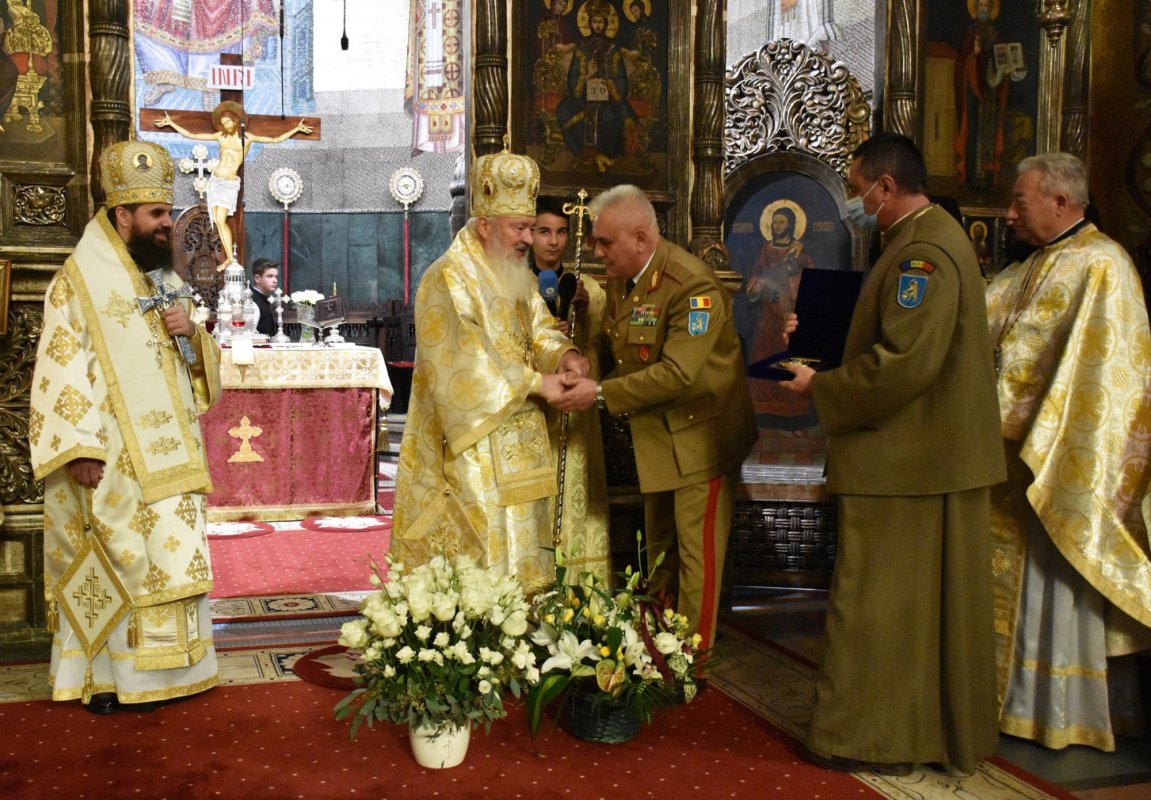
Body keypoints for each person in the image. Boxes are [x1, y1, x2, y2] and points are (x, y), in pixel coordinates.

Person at [779, 133, 1005, 775]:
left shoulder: (922, 254)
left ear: (885, 187)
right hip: (919, 459)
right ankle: (915, 735)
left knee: (874, 608)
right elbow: (888, 330)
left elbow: (905, 363)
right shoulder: (915, 241)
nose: (852, 202)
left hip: (908, 463)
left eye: (854, 189)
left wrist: (821, 384)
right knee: (914, 614)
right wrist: (820, 333)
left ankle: (869, 739)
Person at [28, 139, 223, 714]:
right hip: (112, 458)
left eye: (166, 213)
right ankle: (114, 680)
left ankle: (180, 669)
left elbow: (197, 375)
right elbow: (58, 367)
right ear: (123, 217)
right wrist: (78, 449)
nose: (169, 225)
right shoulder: (77, 282)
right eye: (158, 215)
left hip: (173, 460)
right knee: (122, 557)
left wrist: (193, 336)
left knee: (172, 554)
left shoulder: (162, 280)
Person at [987, 152, 1151, 752]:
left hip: (1056, 461)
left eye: (1019, 201)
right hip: (1002, 460)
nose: (1008, 213)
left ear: (1061, 201)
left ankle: (1053, 711)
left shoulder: (1103, 264)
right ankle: (1005, 702)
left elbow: (1107, 375)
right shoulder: (1025, 269)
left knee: (1054, 584)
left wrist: (1043, 431)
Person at [556, 185, 758, 650]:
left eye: (605, 243)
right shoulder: (622, 276)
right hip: (658, 437)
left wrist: (599, 393)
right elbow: (614, 341)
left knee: (697, 554)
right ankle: (661, 642)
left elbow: (678, 373)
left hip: (699, 438)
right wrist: (584, 359)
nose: (595, 251)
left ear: (641, 239)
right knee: (660, 549)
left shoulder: (692, 285)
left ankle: (693, 659)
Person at [391, 149, 588, 594]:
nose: (528, 239)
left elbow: (537, 328)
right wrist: (539, 383)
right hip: (472, 446)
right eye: (519, 228)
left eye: (529, 227)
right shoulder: (448, 277)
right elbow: (465, 359)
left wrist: (564, 356)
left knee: (527, 558)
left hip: (521, 442)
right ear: (485, 225)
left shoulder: (512, 271)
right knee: (486, 559)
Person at [530, 195, 612, 583]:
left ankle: (581, 585)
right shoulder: (518, 288)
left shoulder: (589, 290)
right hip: (536, 409)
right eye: (544, 231)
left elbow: (600, 350)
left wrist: (583, 320)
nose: (553, 241)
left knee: (576, 492)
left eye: (561, 232)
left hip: (577, 413)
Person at [155, 101, 313, 268]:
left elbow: (275, 139)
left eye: (228, 122)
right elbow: (192, 135)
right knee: (216, 220)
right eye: (223, 123)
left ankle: (230, 258)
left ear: (236, 121)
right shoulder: (220, 136)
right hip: (215, 181)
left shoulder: (247, 138)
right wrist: (172, 123)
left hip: (229, 184)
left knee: (221, 220)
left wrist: (296, 128)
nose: (225, 125)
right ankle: (229, 257)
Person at [745, 203, 816, 424]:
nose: (777, 226)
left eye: (781, 222)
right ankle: (764, 413)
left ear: (791, 225)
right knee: (764, 356)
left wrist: (791, 280)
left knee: (790, 359)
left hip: (790, 313)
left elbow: (811, 278)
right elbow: (757, 275)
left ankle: (793, 415)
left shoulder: (799, 251)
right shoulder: (766, 249)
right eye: (774, 222)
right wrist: (761, 283)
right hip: (770, 312)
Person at [554, 1, 633, 172]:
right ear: (589, 24)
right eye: (595, 21)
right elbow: (573, 78)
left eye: (601, 22)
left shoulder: (613, 49)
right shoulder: (581, 49)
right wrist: (587, 76)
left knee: (608, 117)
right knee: (563, 111)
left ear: (606, 24)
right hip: (583, 97)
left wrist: (607, 81)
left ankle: (605, 155)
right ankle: (583, 155)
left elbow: (621, 79)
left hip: (609, 99)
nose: (598, 25)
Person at [250, 257, 279, 336]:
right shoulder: (251, 302)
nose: (275, 280)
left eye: (276, 277)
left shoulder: (264, 299)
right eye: (270, 276)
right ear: (257, 278)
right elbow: (248, 335)